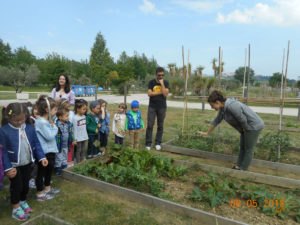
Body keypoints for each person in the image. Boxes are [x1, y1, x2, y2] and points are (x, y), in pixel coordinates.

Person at [0, 103, 48, 221]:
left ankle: (22, 201)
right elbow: (3, 151)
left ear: (26, 116)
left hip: (27, 163)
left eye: (22, 119)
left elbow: (36, 143)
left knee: (25, 185)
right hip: (14, 166)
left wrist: (42, 157)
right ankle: (16, 208)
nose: (20, 122)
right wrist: (7, 168)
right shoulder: (4, 131)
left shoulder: (30, 128)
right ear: (9, 118)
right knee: (17, 186)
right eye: (16, 120)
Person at [198, 90, 264, 171]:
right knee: (242, 147)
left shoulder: (232, 106)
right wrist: (207, 132)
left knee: (248, 148)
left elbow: (242, 119)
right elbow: (217, 120)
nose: (212, 108)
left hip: (253, 126)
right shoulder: (223, 109)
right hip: (245, 127)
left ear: (218, 102)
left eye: (212, 105)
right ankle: (238, 166)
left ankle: (243, 169)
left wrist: (245, 131)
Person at [35, 96, 61, 201]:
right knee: (41, 173)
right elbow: (50, 136)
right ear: (47, 110)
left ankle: (47, 188)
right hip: (44, 153)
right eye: (55, 109)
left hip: (51, 151)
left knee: (49, 171)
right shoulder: (41, 122)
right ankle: (40, 193)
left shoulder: (48, 121)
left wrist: (52, 124)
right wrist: (55, 127)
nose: (56, 111)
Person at [145, 67, 169, 151]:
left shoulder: (165, 82)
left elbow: (165, 95)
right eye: (159, 75)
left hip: (162, 107)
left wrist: (162, 84)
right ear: (156, 74)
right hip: (152, 106)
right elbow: (149, 93)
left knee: (160, 125)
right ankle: (148, 143)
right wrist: (161, 92)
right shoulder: (151, 82)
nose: (161, 77)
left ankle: (158, 143)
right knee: (150, 125)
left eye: (162, 75)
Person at [54, 108, 75, 175]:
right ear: (60, 117)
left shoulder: (68, 124)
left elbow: (71, 133)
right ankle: (58, 169)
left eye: (68, 115)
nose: (68, 117)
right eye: (66, 116)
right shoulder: (56, 125)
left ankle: (64, 168)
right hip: (59, 146)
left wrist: (73, 140)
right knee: (59, 157)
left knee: (65, 156)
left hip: (66, 145)